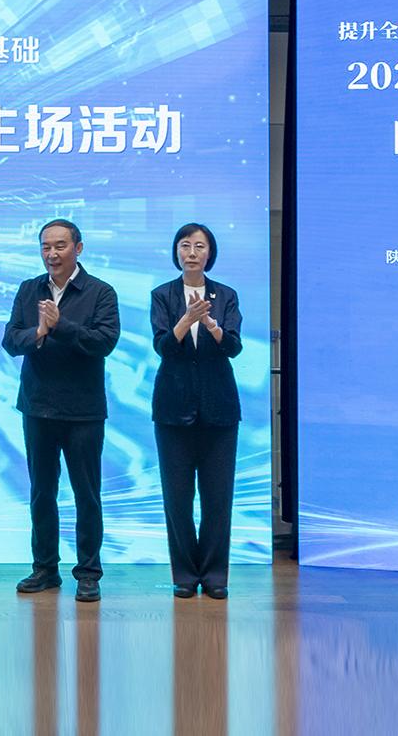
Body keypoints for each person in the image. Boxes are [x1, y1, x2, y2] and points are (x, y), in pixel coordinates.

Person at [1, 219, 120, 604]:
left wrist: (60, 326)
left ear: (78, 248)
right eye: (46, 247)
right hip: (38, 406)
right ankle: (45, 569)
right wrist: (38, 332)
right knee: (41, 493)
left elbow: (104, 342)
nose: (52, 254)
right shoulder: (29, 289)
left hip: (84, 410)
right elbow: (10, 340)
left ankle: (88, 573)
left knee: (87, 494)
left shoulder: (100, 292)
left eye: (60, 246)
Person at [149, 223, 243, 600]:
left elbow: (233, 347)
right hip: (172, 409)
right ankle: (186, 574)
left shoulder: (226, 295)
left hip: (220, 410)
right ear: (176, 252)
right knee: (178, 498)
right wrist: (187, 320)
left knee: (218, 497)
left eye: (199, 246)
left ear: (210, 253)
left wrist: (210, 324)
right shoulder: (163, 295)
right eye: (185, 245)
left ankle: (215, 574)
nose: (191, 252)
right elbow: (163, 347)